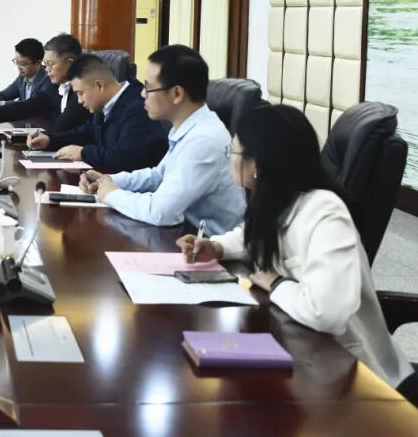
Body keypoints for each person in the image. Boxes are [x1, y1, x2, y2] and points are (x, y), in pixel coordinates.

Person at [177, 104, 414, 390]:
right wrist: (215, 247)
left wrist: (276, 283)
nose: (230, 159)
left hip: (354, 375)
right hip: (301, 350)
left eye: (234, 152)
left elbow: (325, 312)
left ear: (258, 163)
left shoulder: (325, 212)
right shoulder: (277, 199)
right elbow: (251, 237)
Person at [81, 45, 245, 234]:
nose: (142, 94)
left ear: (177, 94)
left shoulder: (203, 140)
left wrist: (112, 194)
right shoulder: (189, 127)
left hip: (209, 245)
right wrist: (109, 180)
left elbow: (160, 212)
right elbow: (159, 176)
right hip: (184, 235)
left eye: (148, 87)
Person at [27, 53, 166, 173]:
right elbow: (84, 133)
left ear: (99, 85)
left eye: (80, 93)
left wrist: (83, 153)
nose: (80, 101)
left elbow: (124, 158)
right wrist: (49, 140)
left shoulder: (138, 108)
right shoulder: (106, 106)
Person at [0, 34, 90, 133]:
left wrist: (48, 140)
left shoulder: (84, 93)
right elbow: (29, 106)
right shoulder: (55, 87)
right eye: (46, 64)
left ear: (70, 63)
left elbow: (65, 130)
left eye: (51, 64)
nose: (47, 69)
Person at [0, 38, 48, 108]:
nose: (19, 67)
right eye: (17, 62)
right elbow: (7, 94)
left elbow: (32, 105)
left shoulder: (48, 79)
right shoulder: (23, 76)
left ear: (38, 63)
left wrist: (1, 103)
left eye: (23, 64)